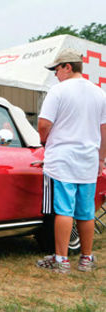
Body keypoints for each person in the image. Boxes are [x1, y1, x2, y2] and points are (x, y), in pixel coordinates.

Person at [36, 48, 106, 274]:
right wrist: (101, 159)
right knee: (86, 212)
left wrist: (45, 141)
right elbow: (104, 131)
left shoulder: (58, 91)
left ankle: (61, 259)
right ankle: (86, 258)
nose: (55, 74)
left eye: (57, 69)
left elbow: (44, 125)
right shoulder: (99, 93)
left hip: (62, 158)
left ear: (68, 67)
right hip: (88, 160)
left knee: (64, 210)